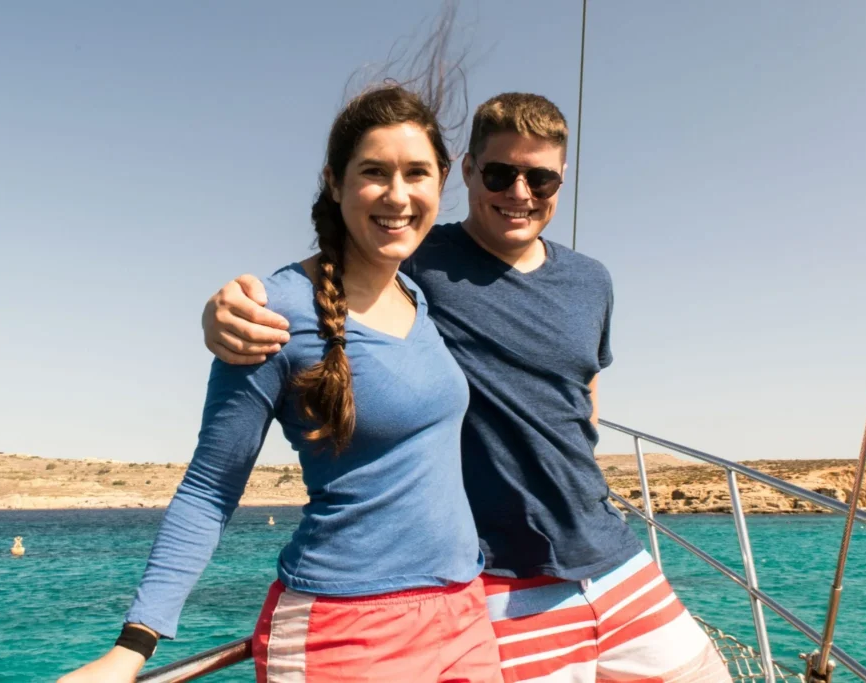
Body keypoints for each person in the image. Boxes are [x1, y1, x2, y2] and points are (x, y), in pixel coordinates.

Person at [203, 93, 733, 682]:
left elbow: (585, 394)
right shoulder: (414, 260)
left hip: (615, 558)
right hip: (505, 585)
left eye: (541, 179)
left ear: (562, 179)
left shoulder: (592, 281)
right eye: (501, 174)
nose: (520, 193)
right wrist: (227, 307)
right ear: (469, 170)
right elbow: (322, 281)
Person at [58, 83, 505, 683]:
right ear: (335, 182)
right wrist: (130, 650)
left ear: (442, 180)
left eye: (416, 173)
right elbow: (211, 487)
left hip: (463, 616)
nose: (398, 195)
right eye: (374, 172)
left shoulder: (418, 296)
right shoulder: (274, 311)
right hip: (344, 632)